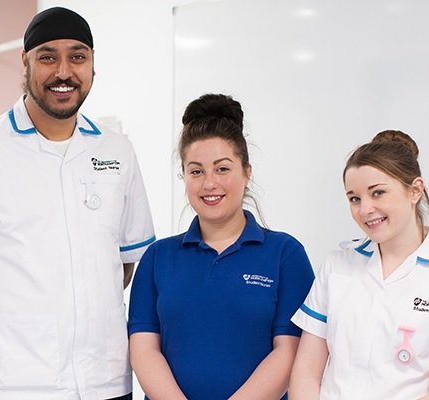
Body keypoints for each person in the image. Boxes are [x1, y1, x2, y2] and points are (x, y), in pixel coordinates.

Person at [0, 6, 155, 399]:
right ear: (25, 62)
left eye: (78, 57)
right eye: (48, 56)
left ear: (93, 67)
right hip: (12, 385)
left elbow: (123, 262)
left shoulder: (117, 151)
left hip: (105, 383)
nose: (64, 72)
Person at [127, 93, 315, 400]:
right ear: (184, 176)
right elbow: (144, 348)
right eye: (196, 171)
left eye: (223, 169)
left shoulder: (284, 254)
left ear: (246, 172)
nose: (209, 183)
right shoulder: (158, 257)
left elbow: (289, 351)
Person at [290, 130, 429, 399]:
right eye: (355, 198)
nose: (365, 210)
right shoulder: (337, 266)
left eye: (378, 193)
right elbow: (305, 372)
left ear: (415, 190)